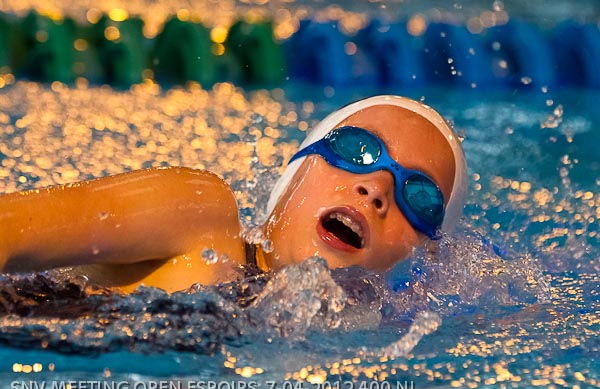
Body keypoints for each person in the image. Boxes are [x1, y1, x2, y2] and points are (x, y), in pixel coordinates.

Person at [0, 95, 467, 293]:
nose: (377, 188)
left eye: (418, 197)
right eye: (356, 150)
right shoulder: (197, 216)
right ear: (294, 175)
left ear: (426, 253)